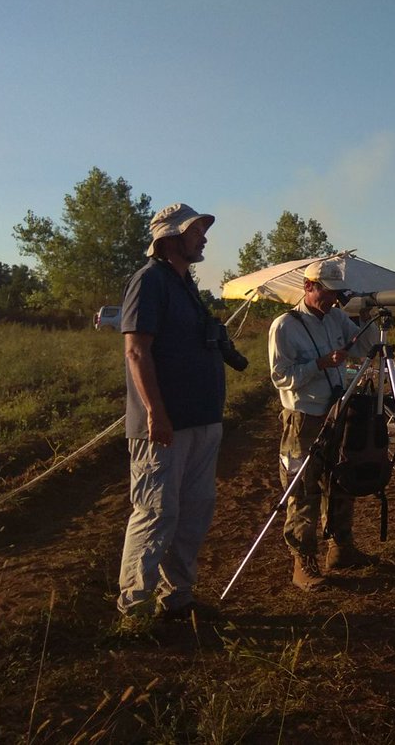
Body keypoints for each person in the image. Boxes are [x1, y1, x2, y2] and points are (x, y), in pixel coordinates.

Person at [117, 203, 227, 621]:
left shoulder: (185, 285)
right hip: (164, 424)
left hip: (202, 419)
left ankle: (176, 596)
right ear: (170, 238)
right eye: (196, 230)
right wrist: (154, 414)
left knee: (194, 510)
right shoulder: (149, 281)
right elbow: (136, 349)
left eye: (201, 229)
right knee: (156, 513)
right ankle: (135, 609)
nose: (203, 237)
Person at [268, 258, 379, 590]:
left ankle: (341, 547)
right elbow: (281, 377)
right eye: (328, 293)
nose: (333, 299)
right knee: (303, 488)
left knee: (342, 479)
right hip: (303, 418)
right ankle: (303, 561)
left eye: (336, 293)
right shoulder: (285, 326)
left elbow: (365, 347)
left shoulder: (335, 318)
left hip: (335, 412)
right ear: (308, 287)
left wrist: (368, 316)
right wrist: (319, 364)